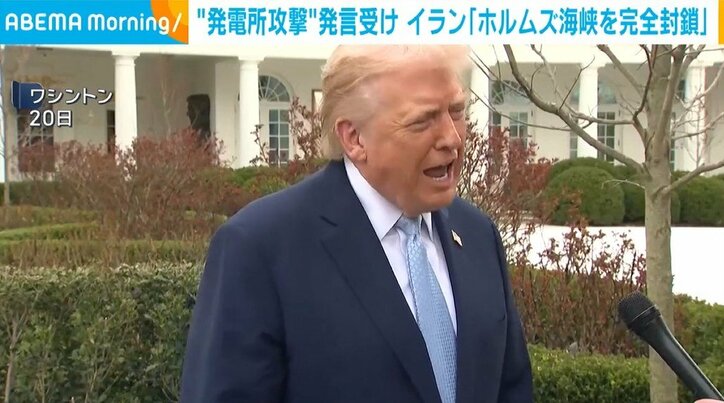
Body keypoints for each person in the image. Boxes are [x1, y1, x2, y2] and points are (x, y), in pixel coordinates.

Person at [179, 45, 534, 402]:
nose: (452, 139)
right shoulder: (261, 248)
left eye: (456, 112)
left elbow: (512, 388)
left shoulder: (477, 234)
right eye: (422, 121)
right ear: (354, 138)